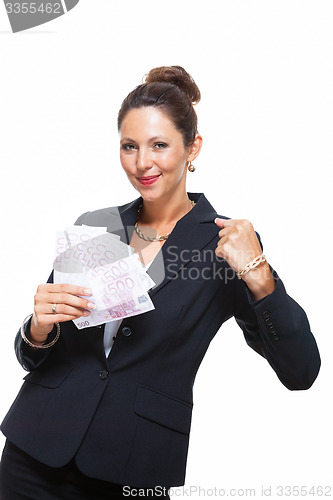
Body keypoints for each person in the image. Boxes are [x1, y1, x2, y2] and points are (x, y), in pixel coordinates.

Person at [0, 66, 321, 499]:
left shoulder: (223, 242)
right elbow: (32, 356)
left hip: (133, 467)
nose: (142, 163)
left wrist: (259, 274)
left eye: (159, 145)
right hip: (33, 451)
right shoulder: (96, 227)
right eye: (129, 146)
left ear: (193, 148)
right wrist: (37, 329)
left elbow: (301, 371)